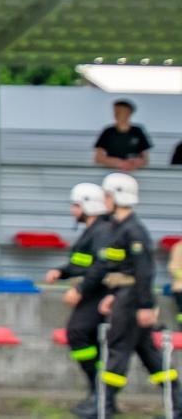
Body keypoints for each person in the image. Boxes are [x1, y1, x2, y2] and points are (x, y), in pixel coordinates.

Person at [76, 172, 178, 419]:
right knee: (149, 355)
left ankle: (105, 404)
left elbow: (144, 271)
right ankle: (179, 404)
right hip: (125, 295)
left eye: (107, 195)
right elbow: (121, 270)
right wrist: (113, 294)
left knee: (118, 348)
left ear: (117, 197)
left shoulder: (133, 231)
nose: (104, 200)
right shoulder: (118, 228)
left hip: (132, 299)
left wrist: (145, 305)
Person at [47, 182, 115, 409]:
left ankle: (100, 394)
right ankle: (99, 395)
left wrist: (80, 289)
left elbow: (100, 266)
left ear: (89, 206)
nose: (72, 210)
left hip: (101, 292)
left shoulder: (102, 231)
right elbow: (82, 263)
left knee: (77, 332)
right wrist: (62, 271)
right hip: (94, 291)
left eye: (75, 205)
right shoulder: (94, 231)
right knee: (88, 338)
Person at [94, 100, 152, 171]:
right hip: (112, 172)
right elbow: (98, 158)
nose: (116, 114)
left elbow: (145, 158)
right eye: (115, 111)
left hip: (134, 173)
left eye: (120, 111)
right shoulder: (108, 132)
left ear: (129, 113)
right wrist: (118, 163)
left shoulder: (137, 131)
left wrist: (135, 162)